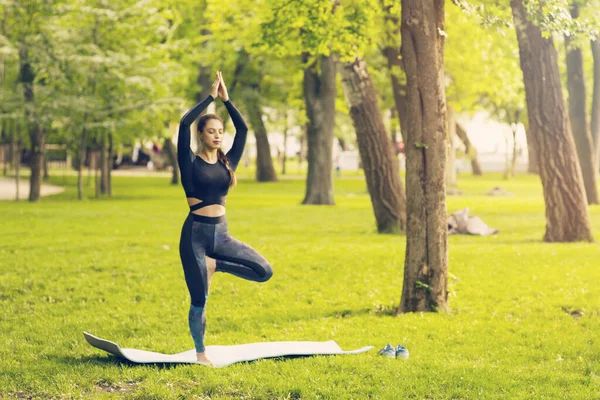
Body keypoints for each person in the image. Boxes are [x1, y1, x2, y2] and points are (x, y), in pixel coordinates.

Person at [177, 71, 273, 366]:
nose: (218, 135)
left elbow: (243, 130)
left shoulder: (227, 162)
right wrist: (209, 97)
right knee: (199, 301)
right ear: (201, 135)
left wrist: (226, 100)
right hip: (196, 236)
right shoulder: (190, 161)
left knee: (263, 271)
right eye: (211, 131)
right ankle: (200, 351)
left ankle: (216, 265)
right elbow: (183, 123)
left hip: (223, 235)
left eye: (220, 131)